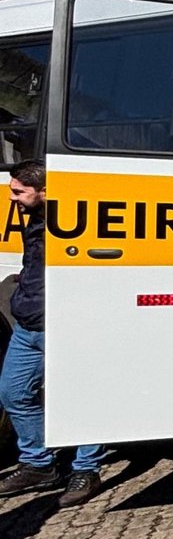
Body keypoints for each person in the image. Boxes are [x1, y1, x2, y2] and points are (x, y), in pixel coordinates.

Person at [0, 160, 106, 504]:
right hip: (28, 325)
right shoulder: (33, 219)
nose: (12, 197)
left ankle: (86, 469)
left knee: (80, 398)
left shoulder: (78, 220)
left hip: (64, 326)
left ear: (45, 192)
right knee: (13, 394)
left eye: (19, 192)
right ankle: (39, 463)